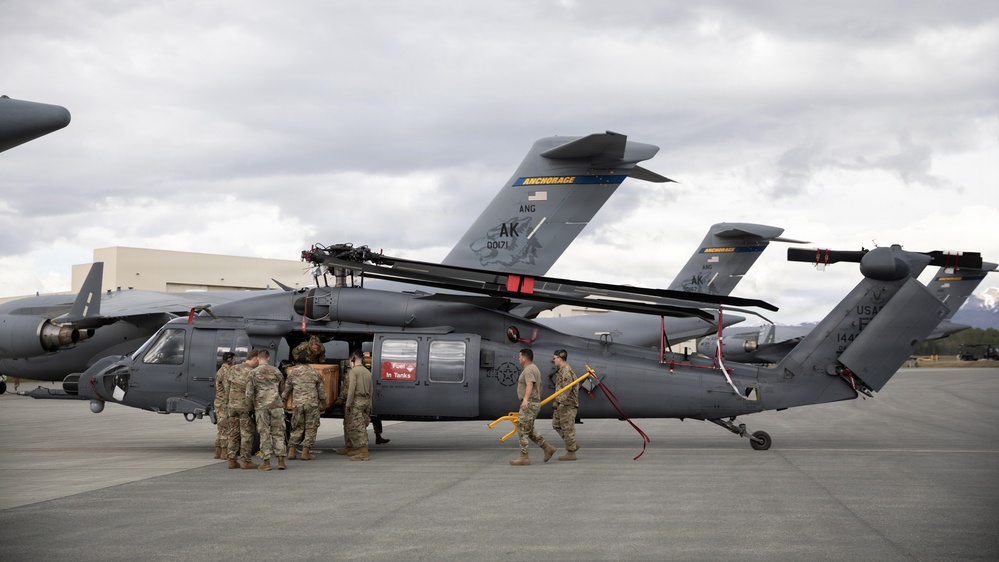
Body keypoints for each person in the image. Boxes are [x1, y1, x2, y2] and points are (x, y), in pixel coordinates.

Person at [510, 348, 556, 466]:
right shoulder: (535, 368)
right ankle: (547, 448)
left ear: (524, 358)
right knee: (529, 429)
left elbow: (530, 384)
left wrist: (526, 400)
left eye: (520, 356)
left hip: (529, 403)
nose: (519, 358)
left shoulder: (528, 370)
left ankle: (524, 457)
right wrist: (537, 399)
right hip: (533, 402)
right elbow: (539, 386)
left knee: (522, 430)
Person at [246, 349, 288, 471]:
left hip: (261, 407)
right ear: (268, 358)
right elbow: (282, 388)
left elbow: (249, 393)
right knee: (278, 432)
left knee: (264, 433)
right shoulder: (276, 371)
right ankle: (281, 461)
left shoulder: (253, 373)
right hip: (276, 406)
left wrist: (249, 406)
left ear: (258, 358)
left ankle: (267, 462)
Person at [282, 353, 327, 461]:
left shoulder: (292, 373)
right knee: (311, 428)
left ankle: (292, 451)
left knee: (297, 426)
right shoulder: (315, 372)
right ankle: (305, 453)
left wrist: (283, 402)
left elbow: (286, 391)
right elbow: (321, 392)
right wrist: (324, 404)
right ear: (308, 361)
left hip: (297, 404)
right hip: (311, 404)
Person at [226, 349, 260, 469]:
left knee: (233, 433)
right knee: (246, 433)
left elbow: (227, 387)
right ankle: (246, 460)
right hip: (245, 407)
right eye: (259, 360)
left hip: (232, 406)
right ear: (255, 358)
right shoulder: (252, 373)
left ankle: (231, 460)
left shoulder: (233, 369)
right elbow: (253, 392)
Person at [343, 349, 373, 461]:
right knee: (362, 425)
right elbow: (371, 390)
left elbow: (351, 390)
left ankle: (364, 452)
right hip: (366, 401)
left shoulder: (353, 372)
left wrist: (348, 404)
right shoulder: (368, 372)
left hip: (357, 401)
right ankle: (358, 449)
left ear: (353, 359)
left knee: (359, 427)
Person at [551, 349, 580, 461]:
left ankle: (571, 453)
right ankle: (572, 444)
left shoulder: (566, 371)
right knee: (556, 424)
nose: (553, 360)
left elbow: (567, 390)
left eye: (554, 358)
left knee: (568, 428)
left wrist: (558, 401)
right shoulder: (562, 370)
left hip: (568, 405)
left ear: (560, 358)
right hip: (562, 405)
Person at [213, 352, 236, 460]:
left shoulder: (220, 371)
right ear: (230, 359)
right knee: (225, 428)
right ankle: (224, 452)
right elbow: (228, 390)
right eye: (234, 359)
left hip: (219, 402)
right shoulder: (226, 372)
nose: (235, 361)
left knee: (220, 428)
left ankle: (217, 451)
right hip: (224, 404)